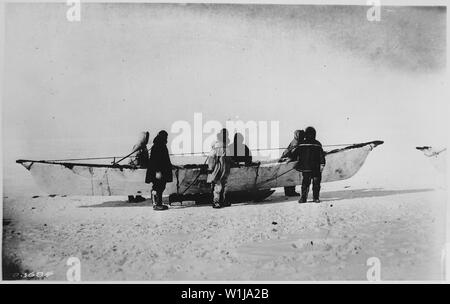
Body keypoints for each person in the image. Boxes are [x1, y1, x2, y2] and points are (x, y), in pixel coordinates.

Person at [291, 127, 325, 203]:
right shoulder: (317, 144)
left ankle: (303, 198)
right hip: (316, 168)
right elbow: (321, 155)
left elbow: (294, 154)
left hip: (305, 168)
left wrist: (292, 158)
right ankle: (315, 198)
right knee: (316, 184)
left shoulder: (301, 143)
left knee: (305, 184)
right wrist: (322, 164)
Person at [145, 130, 173, 211]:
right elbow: (157, 160)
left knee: (159, 187)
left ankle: (157, 203)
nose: (167, 138)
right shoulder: (160, 145)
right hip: (159, 171)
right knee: (159, 187)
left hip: (158, 171)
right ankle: (158, 204)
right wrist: (158, 172)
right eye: (166, 136)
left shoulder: (157, 145)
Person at [207, 128, 231, 209]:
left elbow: (211, 159)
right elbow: (229, 159)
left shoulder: (216, 147)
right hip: (224, 168)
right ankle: (220, 201)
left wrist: (210, 168)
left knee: (218, 185)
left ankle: (217, 201)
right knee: (222, 185)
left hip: (218, 169)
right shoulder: (225, 147)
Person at [281, 130, 305, 197]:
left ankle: (289, 192)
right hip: (288, 159)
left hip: (287, 159)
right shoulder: (296, 142)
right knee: (290, 175)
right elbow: (293, 152)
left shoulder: (295, 141)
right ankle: (290, 192)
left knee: (289, 176)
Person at [128, 131, 150, 203]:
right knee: (134, 183)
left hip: (141, 167)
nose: (147, 139)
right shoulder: (138, 145)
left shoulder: (143, 146)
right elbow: (134, 156)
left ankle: (138, 196)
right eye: (146, 137)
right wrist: (136, 165)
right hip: (136, 168)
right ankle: (131, 197)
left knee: (139, 183)